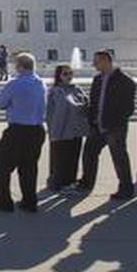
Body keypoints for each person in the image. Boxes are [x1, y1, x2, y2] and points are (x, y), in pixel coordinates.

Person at [0, 53, 46, 212]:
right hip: (37, 130)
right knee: (29, 167)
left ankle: (4, 202)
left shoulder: (15, 84)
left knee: (1, 165)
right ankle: (29, 201)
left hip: (18, 130)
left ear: (20, 66)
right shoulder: (40, 83)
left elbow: (0, 103)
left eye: (15, 64)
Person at [79, 50, 137, 200]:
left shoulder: (125, 81)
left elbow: (127, 108)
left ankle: (126, 188)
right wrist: (92, 120)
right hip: (97, 126)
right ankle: (86, 183)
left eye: (96, 62)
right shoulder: (97, 79)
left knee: (119, 157)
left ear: (106, 61)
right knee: (89, 154)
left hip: (114, 127)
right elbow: (94, 102)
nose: (94, 65)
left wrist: (115, 123)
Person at [46, 64, 89, 194]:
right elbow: (53, 112)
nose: (69, 76)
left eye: (70, 73)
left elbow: (86, 104)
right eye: (65, 74)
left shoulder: (77, 89)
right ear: (58, 76)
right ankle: (59, 183)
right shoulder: (55, 91)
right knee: (60, 159)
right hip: (61, 130)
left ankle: (70, 182)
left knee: (73, 157)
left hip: (76, 130)